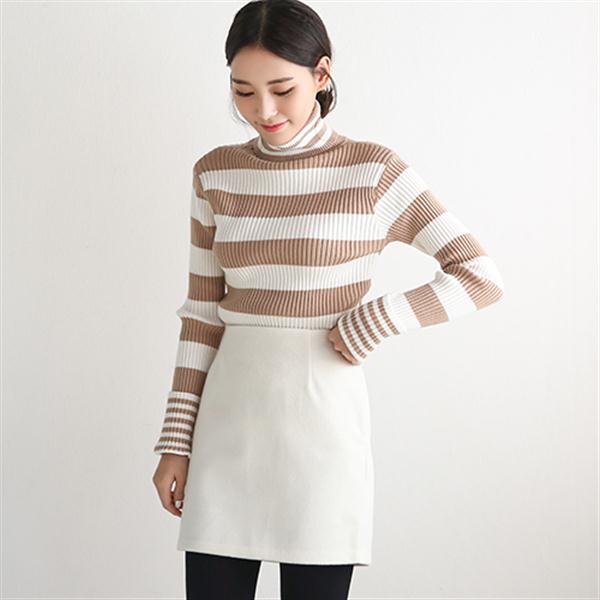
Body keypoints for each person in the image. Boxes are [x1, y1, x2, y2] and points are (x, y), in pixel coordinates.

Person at [152, 1, 505, 598]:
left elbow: (479, 274)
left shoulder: (373, 171)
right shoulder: (214, 174)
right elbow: (202, 317)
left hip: (324, 430)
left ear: (322, 74)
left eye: (282, 89)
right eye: (243, 92)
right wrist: (175, 442)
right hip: (227, 425)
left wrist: (378, 318)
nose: (263, 111)